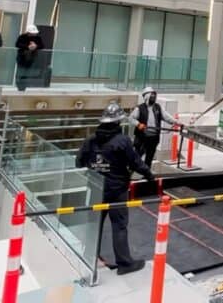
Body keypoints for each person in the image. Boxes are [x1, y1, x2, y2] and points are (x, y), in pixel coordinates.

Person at [76, 103, 156, 276]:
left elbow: (79, 162)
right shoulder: (122, 141)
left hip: (96, 188)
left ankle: (89, 256)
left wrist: (95, 167)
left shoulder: (90, 140)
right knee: (119, 225)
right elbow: (135, 162)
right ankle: (124, 263)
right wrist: (149, 175)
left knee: (94, 225)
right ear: (118, 122)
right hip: (116, 190)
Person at [129, 87, 178, 167]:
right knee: (137, 157)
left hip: (154, 138)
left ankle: (147, 175)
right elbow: (131, 118)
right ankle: (129, 173)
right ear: (146, 96)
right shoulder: (140, 108)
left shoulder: (158, 107)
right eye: (152, 95)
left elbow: (166, 117)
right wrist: (138, 124)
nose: (154, 97)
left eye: (154, 95)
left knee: (149, 158)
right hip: (142, 138)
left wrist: (176, 122)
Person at [14, 25, 45, 91]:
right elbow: (17, 44)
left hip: (31, 57)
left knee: (27, 72)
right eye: (32, 33)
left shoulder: (38, 38)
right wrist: (28, 47)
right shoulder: (22, 37)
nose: (34, 34)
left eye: (35, 33)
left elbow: (42, 46)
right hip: (22, 57)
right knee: (20, 71)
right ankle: (19, 85)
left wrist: (35, 46)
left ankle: (24, 86)